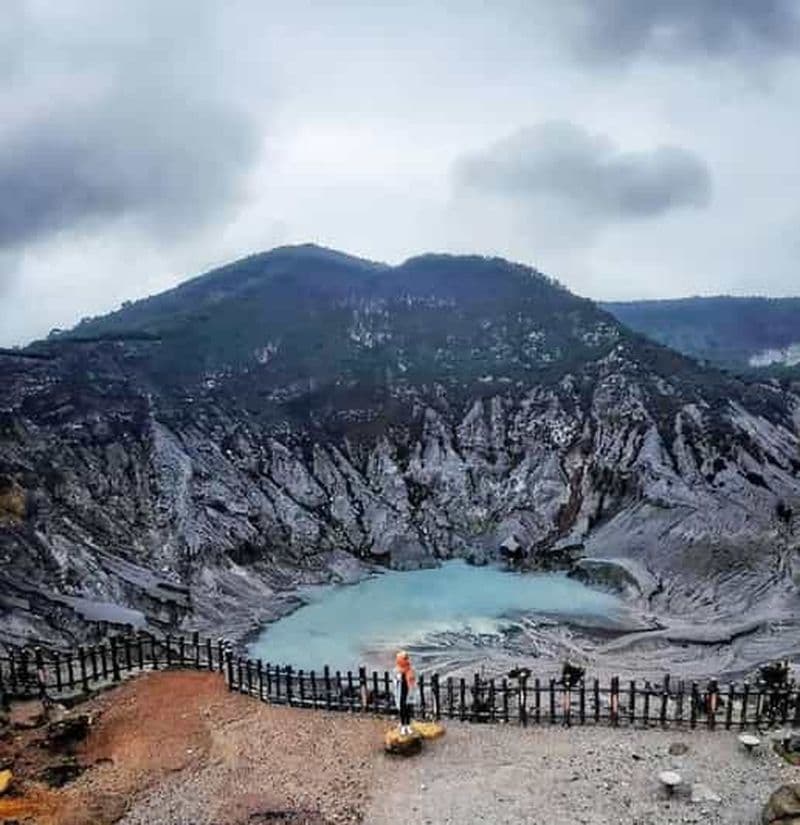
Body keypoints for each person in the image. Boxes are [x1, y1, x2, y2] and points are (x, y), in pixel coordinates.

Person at [394, 650, 416, 735]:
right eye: (404, 658)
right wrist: (397, 678)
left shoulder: (410, 669)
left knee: (408, 708)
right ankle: (403, 726)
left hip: (408, 691)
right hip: (401, 692)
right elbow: (395, 682)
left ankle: (408, 725)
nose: (406, 660)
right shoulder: (397, 670)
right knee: (402, 709)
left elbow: (413, 680)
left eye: (406, 658)